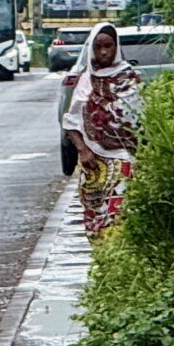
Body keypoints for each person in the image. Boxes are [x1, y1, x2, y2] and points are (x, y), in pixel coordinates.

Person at [61, 22, 143, 237]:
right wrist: (83, 150)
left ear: (116, 47)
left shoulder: (128, 79)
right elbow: (71, 122)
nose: (104, 52)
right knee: (94, 215)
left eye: (109, 46)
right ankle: (101, 257)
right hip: (93, 163)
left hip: (124, 157)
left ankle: (117, 256)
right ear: (91, 49)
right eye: (98, 47)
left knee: (117, 213)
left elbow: (137, 118)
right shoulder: (86, 81)